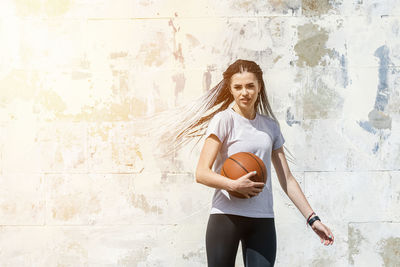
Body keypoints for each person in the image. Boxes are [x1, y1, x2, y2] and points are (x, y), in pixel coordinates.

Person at [194, 59, 334, 267]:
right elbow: (201, 173)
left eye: (250, 86)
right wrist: (233, 185)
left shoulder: (270, 126)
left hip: (262, 219)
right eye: (238, 87)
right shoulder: (224, 120)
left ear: (259, 86)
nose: (245, 92)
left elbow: (286, 178)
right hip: (226, 217)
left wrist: (313, 219)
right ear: (230, 89)